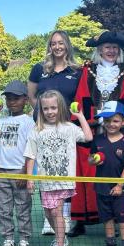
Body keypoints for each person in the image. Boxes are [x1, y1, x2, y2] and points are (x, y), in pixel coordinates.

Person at [69, 30, 124, 237]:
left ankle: (119, 218)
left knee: (116, 168)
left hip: (116, 127)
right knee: (87, 170)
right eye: (106, 47)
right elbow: (82, 96)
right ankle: (81, 219)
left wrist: (118, 121)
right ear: (99, 49)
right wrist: (93, 118)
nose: (110, 50)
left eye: (114, 47)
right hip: (93, 128)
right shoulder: (88, 70)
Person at [23, 90, 93, 246]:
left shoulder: (69, 128)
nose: (50, 112)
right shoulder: (36, 130)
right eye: (46, 109)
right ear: (41, 110)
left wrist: (81, 115)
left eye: (53, 107)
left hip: (64, 180)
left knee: (57, 212)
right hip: (45, 182)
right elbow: (30, 155)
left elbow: (88, 137)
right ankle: (62, 237)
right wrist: (29, 178)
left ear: (60, 108)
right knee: (48, 213)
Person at [27, 30, 82, 234]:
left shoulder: (77, 71)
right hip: (43, 128)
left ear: (67, 45)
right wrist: (42, 114)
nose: (57, 46)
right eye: (53, 43)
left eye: (61, 43)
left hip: (66, 130)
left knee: (64, 171)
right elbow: (32, 96)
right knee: (46, 168)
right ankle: (49, 215)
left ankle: (65, 215)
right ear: (49, 46)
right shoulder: (38, 69)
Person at [0, 80, 35, 246]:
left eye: (16, 98)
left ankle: (24, 240)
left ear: (25, 99)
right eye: (9, 98)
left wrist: (24, 172)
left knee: (23, 208)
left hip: (19, 171)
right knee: (4, 209)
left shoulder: (28, 122)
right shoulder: (3, 120)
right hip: (1, 170)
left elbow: (31, 150)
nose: (11, 102)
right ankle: (8, 240)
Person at [89, 101, 124, 246]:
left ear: (123, 121)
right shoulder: (98, 140)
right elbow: (90, 158)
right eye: (107, 121)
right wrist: (93, 160)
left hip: (119, 189)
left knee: (123, 218)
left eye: (115, 121)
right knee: (106, 218)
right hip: (101, 187)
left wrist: (120, 185)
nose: (111, 124)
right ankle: (110, 245)